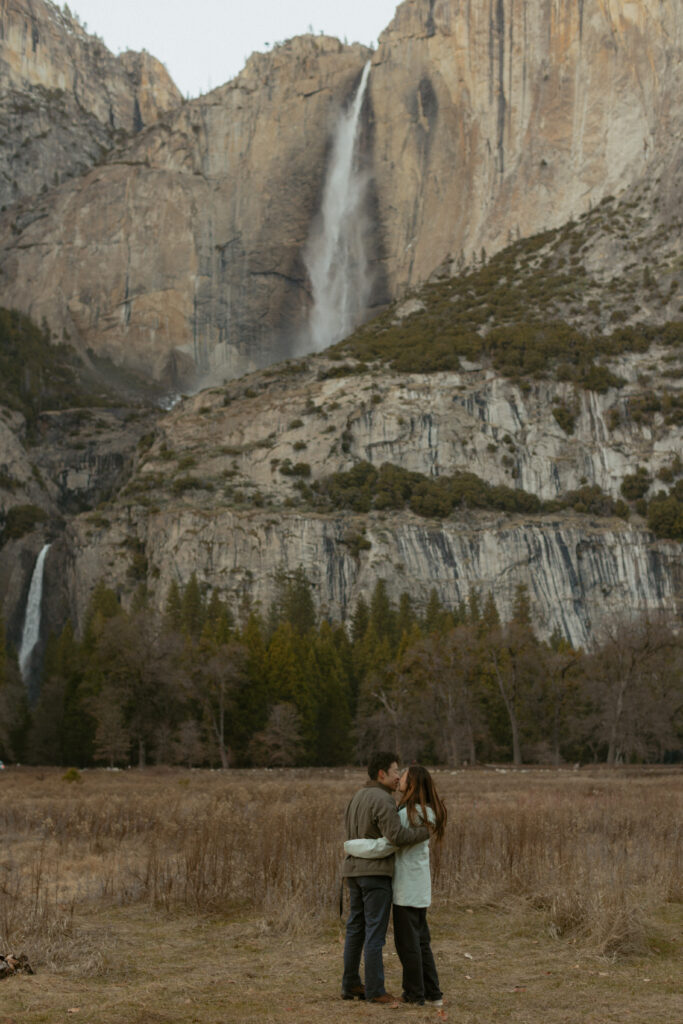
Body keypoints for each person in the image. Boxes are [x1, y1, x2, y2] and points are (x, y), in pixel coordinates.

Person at [344, 764, 447, 1007]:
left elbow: (386, 844)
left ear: (411, 785)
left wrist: (351, 846)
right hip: (420, 886)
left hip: (406, 888)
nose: (399, 778)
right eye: (397, 773)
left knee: (407, 945)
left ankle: (414, 995)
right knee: (421, 942)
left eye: (404, 776)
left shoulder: (407, 815)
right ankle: (433, 994)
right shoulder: (427, 812)